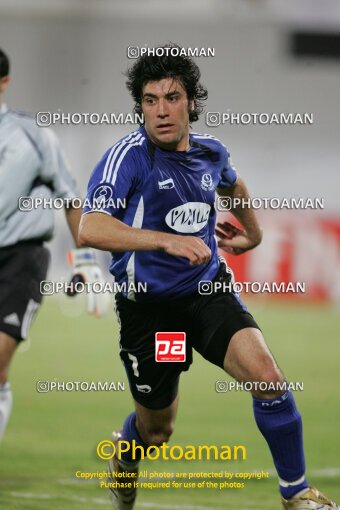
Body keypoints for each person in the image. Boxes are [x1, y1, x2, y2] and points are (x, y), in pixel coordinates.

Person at [79, 45, 339, 510]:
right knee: (158, 431)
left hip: (206, 293)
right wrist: (164, 240)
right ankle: (126, 455)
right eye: (150, 99)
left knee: (268, 378)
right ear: (139, 105)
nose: (160, 110)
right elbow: (91, 227)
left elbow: (232, 184)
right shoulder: (128, 158)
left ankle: (297, 495)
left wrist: (253, 235)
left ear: (191, 102)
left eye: (171, 97)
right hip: (153, 312)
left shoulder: (210, 152)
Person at [0, 48, 83, 442]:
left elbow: (70, 196)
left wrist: (83, 261)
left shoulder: (33, 135)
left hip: (20, 259)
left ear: (4, 83)